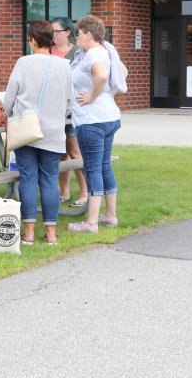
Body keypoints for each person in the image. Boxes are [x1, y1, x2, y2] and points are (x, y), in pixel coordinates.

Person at [4, 20, 73, 245]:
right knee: (50, 181)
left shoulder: (23, 62)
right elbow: (70, 102)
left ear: (33, 40)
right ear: (51, 39)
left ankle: (29, 233)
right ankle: (51, 233)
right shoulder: (64, 66)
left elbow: (9, 98)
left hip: (26, 130)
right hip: (54, 131)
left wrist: (5, 112)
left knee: (28, 179)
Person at [67, 15, 122, 234]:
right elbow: (122, 73)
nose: (76, 36)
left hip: (93, 121)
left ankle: (90, 223)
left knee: (92, 169)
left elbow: (101, 75)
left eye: (78, 33)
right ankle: (110, 215)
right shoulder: (105, 50)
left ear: (88, 34)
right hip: (109, 117)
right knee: (103, 166)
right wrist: (107, 95)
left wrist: (92, 97)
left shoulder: (94, 54)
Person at [51, 16, 88, 207]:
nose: (54, 35)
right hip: (54, 109)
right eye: (52, 31)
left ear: (67, 32)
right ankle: (64, 192)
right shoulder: (49, 52)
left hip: (72, 109)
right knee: (60, 153)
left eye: (57, 31)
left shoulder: (77, 52)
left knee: (74, 150)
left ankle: (84, 193)